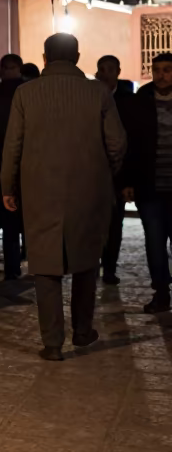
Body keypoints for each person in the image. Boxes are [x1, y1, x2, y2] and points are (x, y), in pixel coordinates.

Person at [2, 34, 126, 361]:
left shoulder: (25, 93)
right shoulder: (98, 92)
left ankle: (53, 343)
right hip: (89, 190)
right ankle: (82, 331)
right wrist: (102, 173)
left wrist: (7, 186)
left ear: (44, 58)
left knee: (45, 266)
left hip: (39, 190)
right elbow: (117, 143)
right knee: (86, 261)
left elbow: (13, 145)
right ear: (78, 57)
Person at [117, 53, 172, 314]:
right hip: (149, 186)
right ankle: (161, 292)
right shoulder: (138, 103)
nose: (161, 75)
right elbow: (130, 145)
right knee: (154, 241)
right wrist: (127, 180)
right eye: (157, 69)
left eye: (167, 70)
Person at [0, 53, 26, 280]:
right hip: (9, 163)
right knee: (13, 218)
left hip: (3, 163)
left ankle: (13, 266)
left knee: (10, 218)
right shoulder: (29, 91)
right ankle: (14, 265)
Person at [96, 54, 131, 284]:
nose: (106, 73)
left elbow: (132, 140)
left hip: (119, 173)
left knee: (115, 223)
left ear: (118, 71)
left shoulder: (128, 100)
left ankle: (110, 266)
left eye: (110, 69)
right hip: (94, 171)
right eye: (102, 69)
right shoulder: (90, 96)